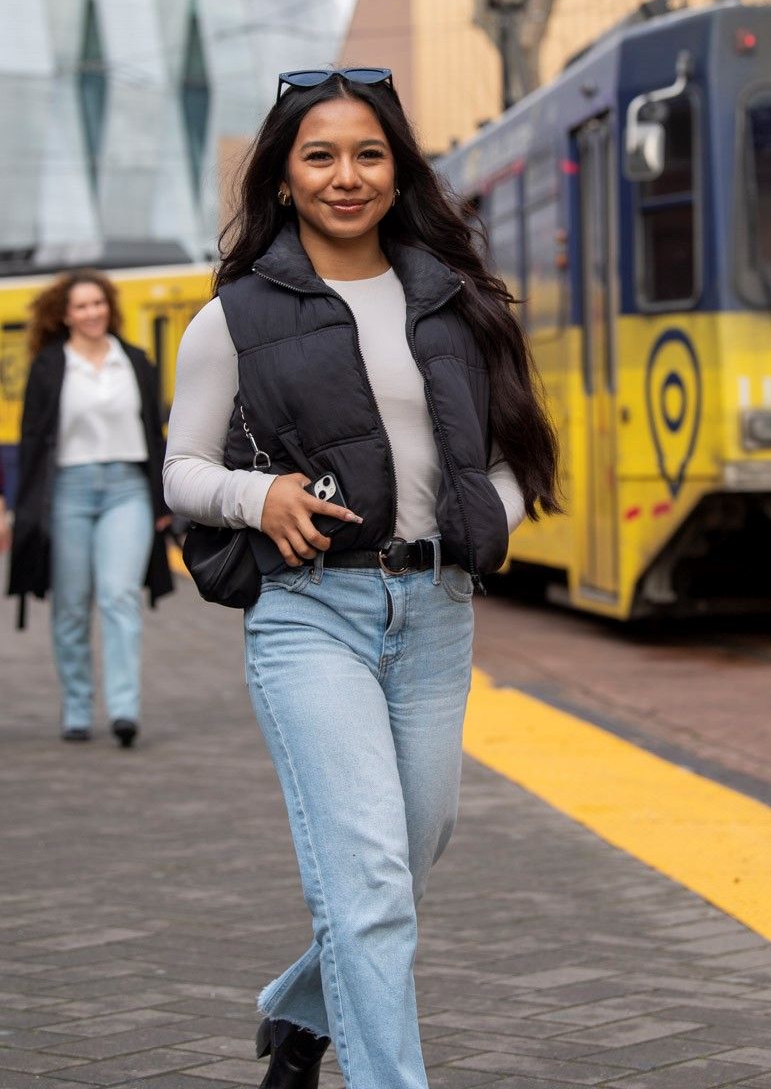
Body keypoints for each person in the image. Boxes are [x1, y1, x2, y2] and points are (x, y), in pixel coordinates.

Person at [163, 67, 560, 1089]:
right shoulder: (236, 318)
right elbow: (182, 472)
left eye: (369, 153)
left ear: (399, 172)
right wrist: (263, 501)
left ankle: (304, 1010)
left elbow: (520, 459)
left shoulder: (459, 301)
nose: (348, 175)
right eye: (320, 156)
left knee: (411, 853)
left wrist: (489, 518)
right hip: (310, 615)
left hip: (435, 613)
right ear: (285, 180)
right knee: (372, 880)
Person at [8, 271, 173, 746]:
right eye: (81, 306)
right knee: (72, 606)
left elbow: (154, 433)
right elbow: (31, 442)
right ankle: (77, 708)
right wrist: (21, 508)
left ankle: (124, 710)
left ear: (109, 307)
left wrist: (161, 500)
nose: (92, 313)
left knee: (119, 595)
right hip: (68, 492)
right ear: (65, 315)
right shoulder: (48, 366)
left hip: (127, 490)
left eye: (98, 303)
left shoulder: (136, 362)